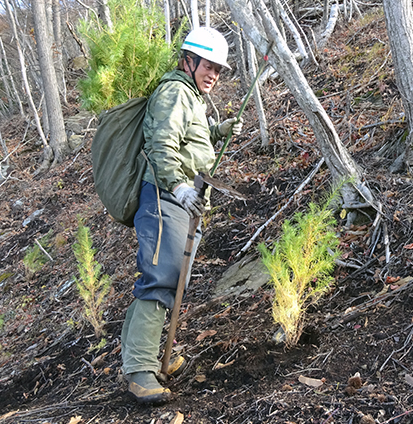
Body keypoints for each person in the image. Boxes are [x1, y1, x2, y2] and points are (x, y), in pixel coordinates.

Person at [120, 27, 243, 404]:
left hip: (184, 200)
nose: (213, 75)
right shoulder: (173, 91)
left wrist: (218, 131)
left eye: (219, 70)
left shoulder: (191, 97)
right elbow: (162, 143)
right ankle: (140, 371)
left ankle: (154, 356)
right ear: (188, 61)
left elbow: (190, 136)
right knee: (162, 278)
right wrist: (178, 186)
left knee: (173, 281)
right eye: (209, 66)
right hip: (165, 197)